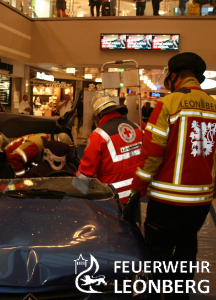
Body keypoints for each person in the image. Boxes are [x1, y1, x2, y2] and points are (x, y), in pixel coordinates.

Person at [130, 52, 215, 300]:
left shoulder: (168, 104)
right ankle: (181, 296)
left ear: (174, 76)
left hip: (167, 201)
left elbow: (152, 155)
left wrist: (138, 188)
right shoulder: (214, 106)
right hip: (201, 202)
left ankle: (162, 295)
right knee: (188, 245)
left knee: (160, 252)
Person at [77, 96, 142, 203]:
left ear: (100, 115)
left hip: (112, 196)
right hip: (136, 191)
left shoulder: (98, 135)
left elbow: (86, 172)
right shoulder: (136, 127)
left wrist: (77, 191)